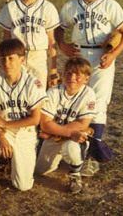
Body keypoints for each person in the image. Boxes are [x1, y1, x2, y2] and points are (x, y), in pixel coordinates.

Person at [55, 0, 123, 176]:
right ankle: (76, 145)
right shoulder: (71, 6)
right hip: (79, 55)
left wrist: (113, 54)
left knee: (98, 104)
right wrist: (62, 45)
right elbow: (58, 29)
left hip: (101, 56)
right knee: (75, 100)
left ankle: (91, 156)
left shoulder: (110, 5)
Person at [0, 39, 47, 212]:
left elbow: (35, 119)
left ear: (22, 59)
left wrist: (6, 123)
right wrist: (0, 136)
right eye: (2, 59)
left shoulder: (33, 83)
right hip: (3, 132)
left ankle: (7, 160)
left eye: (11, 58)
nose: (6, 63)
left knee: (22, 185)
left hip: (25, 133)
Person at [36, 57, 96, 194]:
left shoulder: (88, 93)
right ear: (63, 75)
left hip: (69, 136)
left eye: (78, 75)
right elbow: (45, 124)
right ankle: (67, 157)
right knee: (41, 171)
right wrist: (67, 132)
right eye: (69, 73)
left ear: (86, 79)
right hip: (57, 136)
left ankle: (76, 173)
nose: (72, 77)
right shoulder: (53, 92)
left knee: (72, 146)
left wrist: (60, 132)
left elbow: (83, 123)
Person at [0, 0, 60, 89]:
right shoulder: (11, 7)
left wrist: (53, 68)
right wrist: (6, 61)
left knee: (39, 93)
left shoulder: (47, 7)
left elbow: (51, 40)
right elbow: (6, 38)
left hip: (39, 56)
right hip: (16, 55)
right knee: (15, 92)